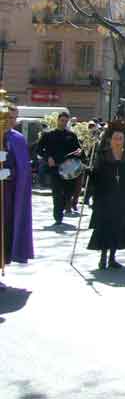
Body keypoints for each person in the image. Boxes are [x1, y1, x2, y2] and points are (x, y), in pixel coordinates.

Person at [87, 121, 125, 269]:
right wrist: (91, 174)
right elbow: (96, 176)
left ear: (124, 141)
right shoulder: (103, 156)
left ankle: (112, 257)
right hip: (106, 198)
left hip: (123, 198)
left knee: (118, 228)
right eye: (115, 138)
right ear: (110, 140)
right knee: (105, 227)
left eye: (120, 139)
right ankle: (103, 257)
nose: (118, 141)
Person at [1, 105, 34, 286]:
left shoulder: (17, 139)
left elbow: (22, 169)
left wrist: (8, 173)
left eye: (14, 118)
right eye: (8, 117)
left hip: (8, 195)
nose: (11, 121)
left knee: (4, 232)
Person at [37, 112, 81, 224]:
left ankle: (63, 206)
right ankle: (58, 217)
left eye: (66, 121)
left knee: (68, 193)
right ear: (58, 120)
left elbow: (78, 150)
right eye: (62, 120)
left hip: (68, 169)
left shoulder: (71, 135)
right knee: (57, 194)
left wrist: (79, 153)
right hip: (55, 169)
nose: (63, 123)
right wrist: (48, 158)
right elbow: (39, 150)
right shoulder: (48, 135)